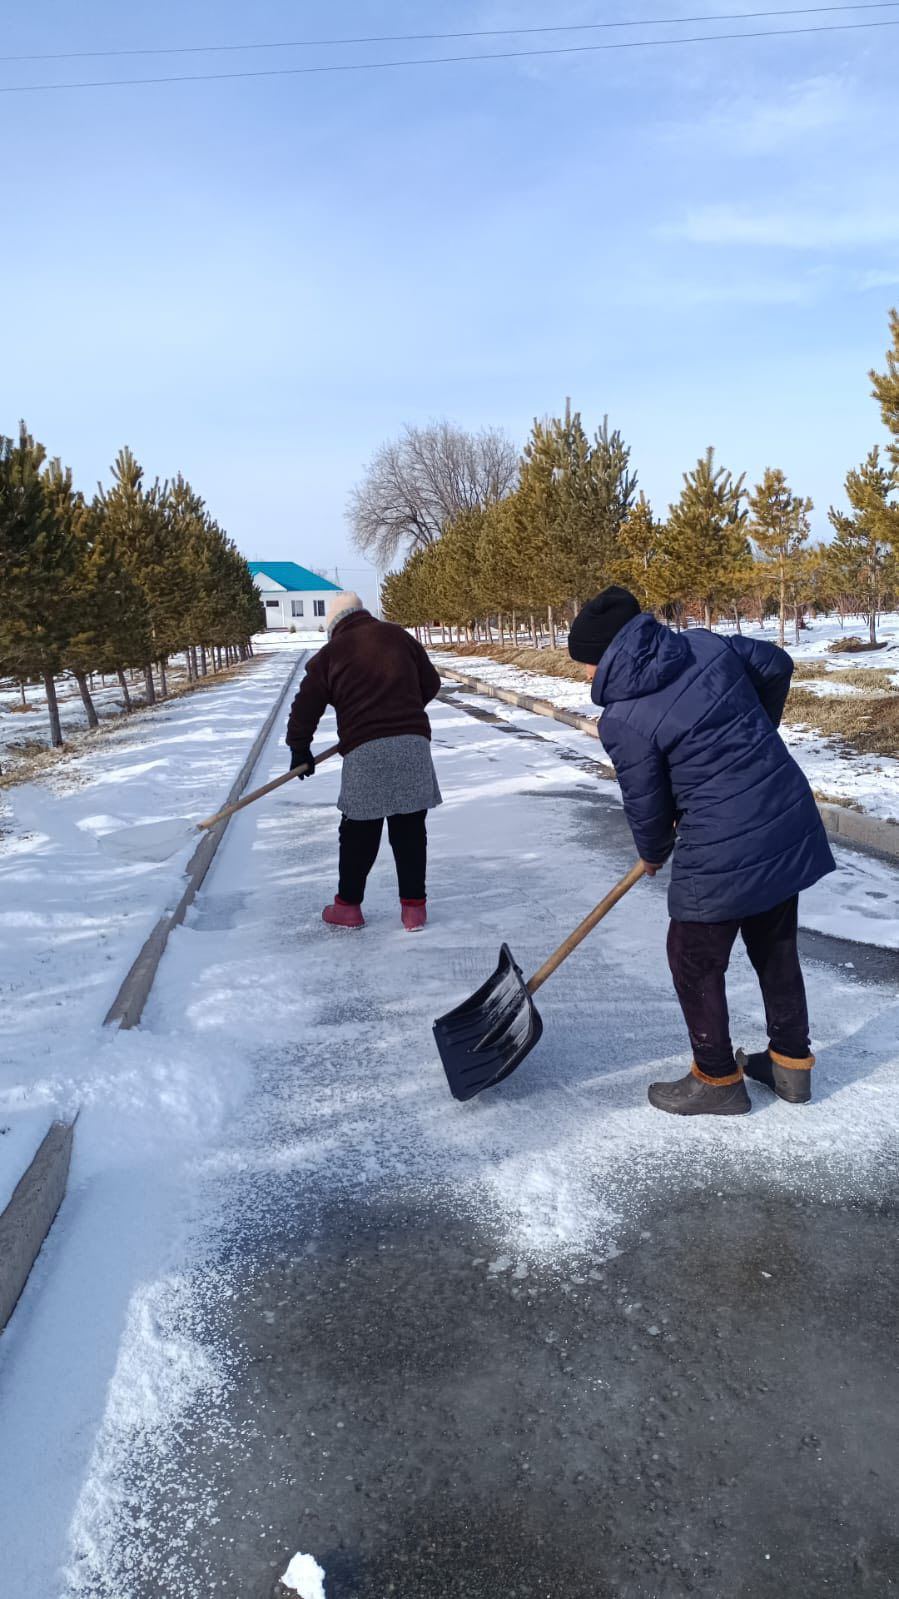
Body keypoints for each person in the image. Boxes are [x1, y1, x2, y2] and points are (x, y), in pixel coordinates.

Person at [568, 586, 835, 1116]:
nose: (587, 674)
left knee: (691, 957)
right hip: (780, 810)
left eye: (588, 662)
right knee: (775, 943)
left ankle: (716, 1078)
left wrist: (653, 851)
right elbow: (777, 665)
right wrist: (754, 737)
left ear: (609, 654)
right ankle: (790, 1066)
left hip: (722, 838)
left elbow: (646, 802)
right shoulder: (706, 645)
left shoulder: (623, 718)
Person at [286, 592, 442, 931]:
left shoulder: (330, 654)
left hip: (365, 750)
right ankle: (414, 910)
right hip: (412, 745)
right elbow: (431, 683)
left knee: (359, 830)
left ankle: (348, 907)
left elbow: (305, 706)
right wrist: (403, 711)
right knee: (410, 828)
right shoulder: (399, 636)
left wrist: (300, 748)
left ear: (333, 625)